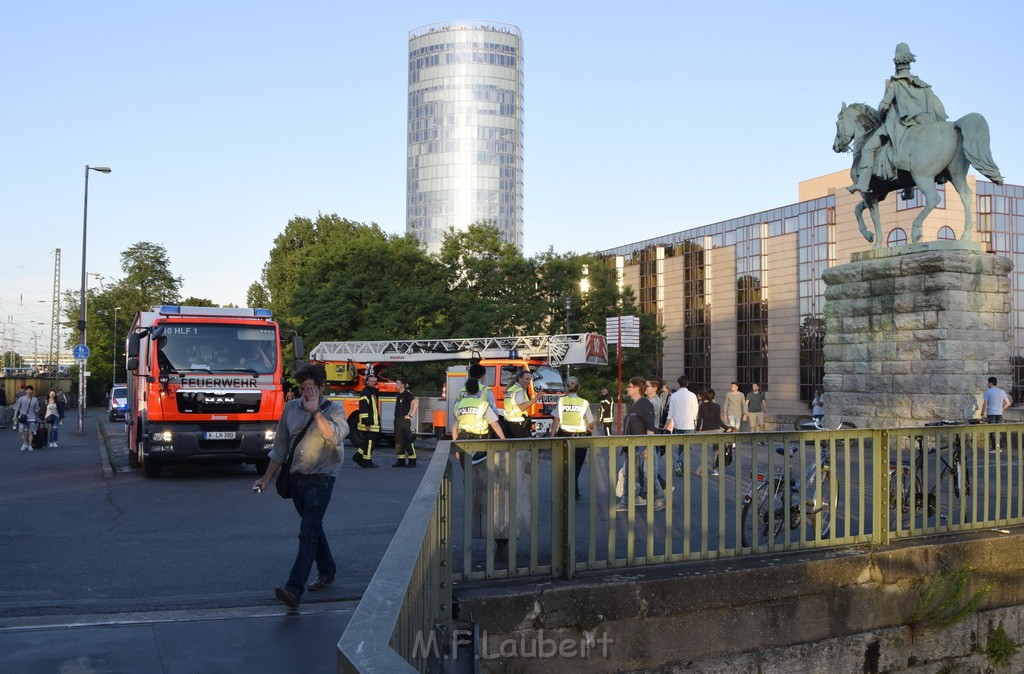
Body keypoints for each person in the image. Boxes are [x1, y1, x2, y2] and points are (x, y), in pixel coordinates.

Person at [253, 362, 349, 610]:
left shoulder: (335, 410)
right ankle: (327, 570)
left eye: (311, 388)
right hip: (296, 480)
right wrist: (265, 478)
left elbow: (335, 437)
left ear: (321, 387)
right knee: (314, 527)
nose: (306, 393)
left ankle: (293, 590)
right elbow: (281, 447)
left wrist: (315, 412)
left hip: (322, 479)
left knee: (307, 532)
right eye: (303, 388)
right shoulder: (290, 408)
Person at [849, 43, 948, 195]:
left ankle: (862, 183)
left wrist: (881, 117)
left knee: (868, 148)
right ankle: (910, 188)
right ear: (909, 61)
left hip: (900, 124)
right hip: (924, 124)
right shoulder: (924, 86)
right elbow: (938, 109)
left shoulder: (895, 83)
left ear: (896, 61)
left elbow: (883, 106)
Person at [616, 377, 665, 512]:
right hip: (633, 445)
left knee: (647, 474)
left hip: (642, 445)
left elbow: (650, 427)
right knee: (630, 473)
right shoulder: (636, 403)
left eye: (630, 386)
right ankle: (626, 501)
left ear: (637, 388)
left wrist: (648, 447)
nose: (627, 388)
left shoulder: (644, 404)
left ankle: (659, 497)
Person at [550, 376, 595, 500]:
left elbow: (555, 421)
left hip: (563, 436)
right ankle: (573, 492)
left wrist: (552, 438)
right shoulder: (584, 403)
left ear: (566, 388)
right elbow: (591, 424)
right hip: (579, 439)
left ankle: (568, 491)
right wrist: (588, 426)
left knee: (564, 465)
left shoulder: (561, 401)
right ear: (578, 388)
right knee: (576, 467)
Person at [666, 376, 700, 477]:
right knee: (688, 447)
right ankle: (680, 462)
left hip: (677, 423)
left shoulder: (674, 396)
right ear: (687, 383)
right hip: (689, 423)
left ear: (678, 383)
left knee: (681, 446)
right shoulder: (692, 395)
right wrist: (696, 423)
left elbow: (670, 412)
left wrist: (666, 425)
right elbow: (695, 411)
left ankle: (681, 467)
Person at [695, 389, 731, 477]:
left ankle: (702, 467)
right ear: (714, 396)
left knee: (703, 451)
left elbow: (699, 420)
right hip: (716, 431)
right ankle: (716, 469)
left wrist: (697, 429)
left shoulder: (702, 406)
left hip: (705, 431)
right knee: (716, 451)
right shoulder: (717, 406)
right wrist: (727, 428)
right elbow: (718, 421)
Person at [504, 370, 541, 439]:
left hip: (509, 424)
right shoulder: (519, 390)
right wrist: (536, 398)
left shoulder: (511, 389)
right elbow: (522, 407)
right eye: (527, 379)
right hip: (518, 424)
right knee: (525, 447)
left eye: (530, 379)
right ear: (519, 378)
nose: (528, 382)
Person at [354, 373, 381, 468]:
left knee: (368, 442)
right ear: (366, 382)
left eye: (374, 381)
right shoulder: (366, 392)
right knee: (370, 443)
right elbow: (363, 408)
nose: (373, 383)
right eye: (371, 381)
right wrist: (366, 421)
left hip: (373, 422)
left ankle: (358, 456)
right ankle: (366, 460)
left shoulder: (372, 392)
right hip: (369, 423)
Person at [392, 377, 418, 468]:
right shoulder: (398, 395)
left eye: (398, 383)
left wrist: (410, 415)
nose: (396, 385)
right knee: (398, 441)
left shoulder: (407, 394)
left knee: (408, 440)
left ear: (403, 384)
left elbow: (415, 404)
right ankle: (401, 460)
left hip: (404, 420)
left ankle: (412, 460)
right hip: (397, 420)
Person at [13, 385, 41, 452]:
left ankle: (30, 445)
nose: (29, 391)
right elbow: (17, 408)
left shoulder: (35, 399)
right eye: (27, 390)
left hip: (31, 418)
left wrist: (38, 410)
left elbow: (36, 409)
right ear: (25, 391)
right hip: (22, 417)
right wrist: (14, 416)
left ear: (32, 391)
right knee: (20, 431)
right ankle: (24, 443)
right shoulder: (21, 399)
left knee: (30, 432)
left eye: (30, 390)